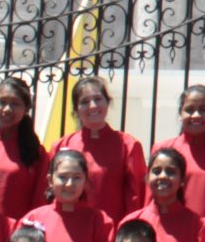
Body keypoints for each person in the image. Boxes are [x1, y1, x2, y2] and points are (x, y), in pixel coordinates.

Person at [51, 74, 147, 224]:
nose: (93, 106)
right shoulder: (62, 145)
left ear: (108, 103)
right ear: (76, 109)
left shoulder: (128, 145)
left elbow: (137, 196)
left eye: (97, 99)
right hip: (70, 227)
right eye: (84, 102)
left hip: (112, 231)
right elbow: (51, 194)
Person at [151, 82, 205, 225]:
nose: (196, 115)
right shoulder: (163, 150)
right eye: (189, 110)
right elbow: (150, 199)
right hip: (168, 232)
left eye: (203, 110)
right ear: (180, 113)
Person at [0, 76, 48, 218]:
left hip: (18, 235)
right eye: (2, 102)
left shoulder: (36, 152)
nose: (7, 109)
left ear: (26, 108)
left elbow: (40, 202)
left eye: (15, 104)